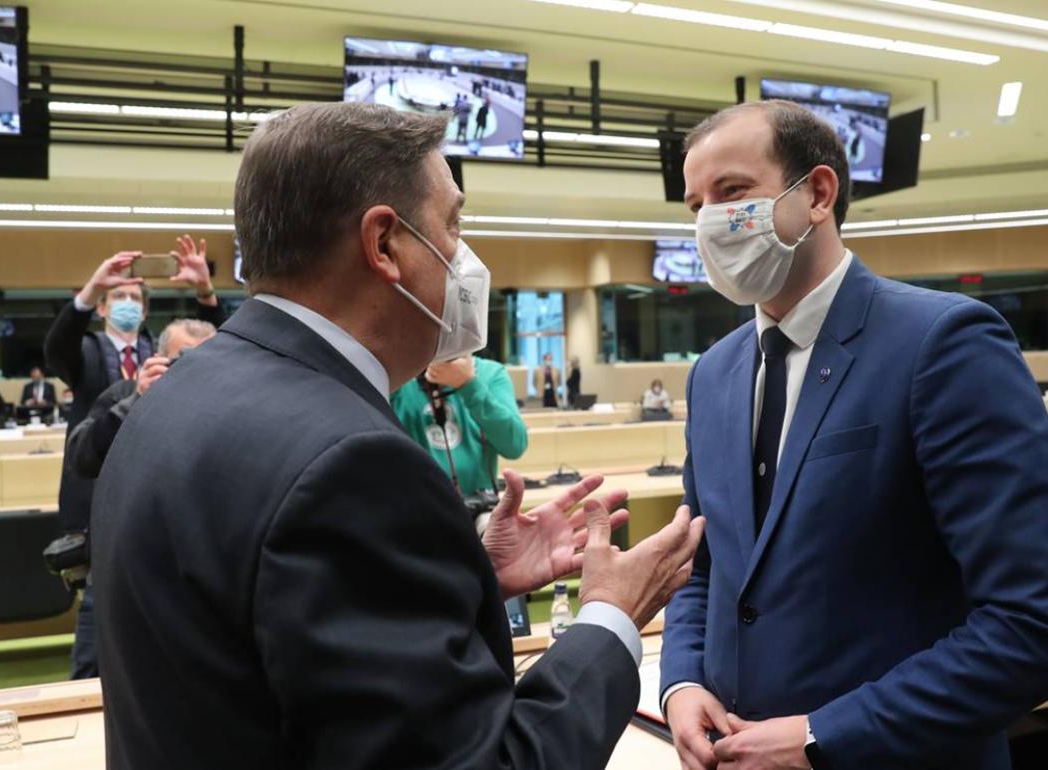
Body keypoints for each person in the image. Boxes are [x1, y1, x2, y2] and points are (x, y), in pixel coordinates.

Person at [91, 102, 704, 770]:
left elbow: (269, 627)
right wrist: (610, 616)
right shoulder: (351, 464)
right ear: (384, 244)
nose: (464, 254)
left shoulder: (178, 391)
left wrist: (460, 578)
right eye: (453, 222)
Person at [660, 100, 1048, 770]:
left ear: (818, 194)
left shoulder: (943, 343)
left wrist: (823, 737)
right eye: (695, 205)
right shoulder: (714, 375)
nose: (710, 222)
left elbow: (1044, 621)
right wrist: (683, 683)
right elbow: (705, 565)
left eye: (732, 192)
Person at [43, 234, 224, 680]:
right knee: (97, 653)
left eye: (134, 297)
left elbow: (220, 348)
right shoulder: (93, 359)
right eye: (116, 296)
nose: (126, 303)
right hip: (104, 516)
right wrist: (92, 288)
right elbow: (58, 351)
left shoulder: (163, 353)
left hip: (178, 534)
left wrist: (205, 292)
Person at [66, 319, 216, 480]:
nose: (196, 372)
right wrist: (137, 402)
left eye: (207, 363)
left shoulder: (229, 405)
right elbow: (81, 458)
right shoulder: (124, 394)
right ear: (159, 360)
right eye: (184, 362)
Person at [391, 353, 527, 498]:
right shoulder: (399, 374)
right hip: (416, 506)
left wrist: (468, 385)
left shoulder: (490, 373)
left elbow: (515, 446)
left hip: (478, 504)